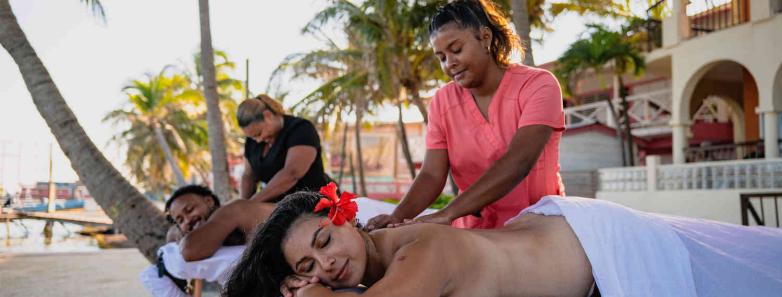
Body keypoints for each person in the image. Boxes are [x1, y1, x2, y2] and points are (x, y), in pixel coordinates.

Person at [224, 191, 782, 297]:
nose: (327, 262)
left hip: (604, 247)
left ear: (348, 218)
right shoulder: (387, 263)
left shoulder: (423, 254)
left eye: (324, 240)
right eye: (308, 265)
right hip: (564, 242)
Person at [367, 0, 565, 230]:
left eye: (456, 49)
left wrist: (447, 213)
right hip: (474, 233)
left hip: (540, 229)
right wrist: (397, 216)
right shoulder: (442, 102)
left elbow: (518, 162)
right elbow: (432, 174)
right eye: (441, 57)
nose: (450, 63)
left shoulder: (538, 85)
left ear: (485, 38)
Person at [237, 94, 332, 202]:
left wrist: (252, 203)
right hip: (274, 205)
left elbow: (292, 173)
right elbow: (248, 176)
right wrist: (243, 204)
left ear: (267, 115)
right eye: (253, 137)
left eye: (259, 133)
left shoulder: (301, 129)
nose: (258, 140)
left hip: (308, 204)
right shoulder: (253, 141)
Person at [165, 184, 274, 261]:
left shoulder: (232, 210)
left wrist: (188, 237)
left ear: (209, 201)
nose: (188, 220)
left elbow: (189, 250)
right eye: (180, 220)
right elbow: (171, 235)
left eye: (189, 210)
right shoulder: (217, 233)